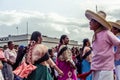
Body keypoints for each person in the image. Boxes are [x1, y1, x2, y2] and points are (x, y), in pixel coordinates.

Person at [85, 10, 120, 80]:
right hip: (96, 68)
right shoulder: (96, 34)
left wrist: (116, 55)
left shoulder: (106, 33)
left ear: (97, 23)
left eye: (91, 20)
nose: (89, 22)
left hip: (105, 69)